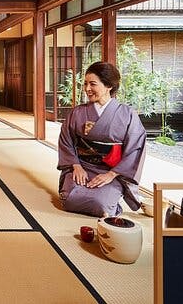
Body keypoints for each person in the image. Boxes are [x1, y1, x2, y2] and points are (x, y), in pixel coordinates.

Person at [57, 61, 146, 218]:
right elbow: (66, 140)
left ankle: (111, 200)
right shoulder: (77, 113)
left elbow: (135, 148)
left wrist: (111, 174)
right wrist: (76, 165)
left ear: (109, 86)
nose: (87, 89)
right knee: (69, 199)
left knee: (101, 204)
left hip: (111, 171)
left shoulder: (127, 114)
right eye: (85, 84)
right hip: (82, 168)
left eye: (93, 84)